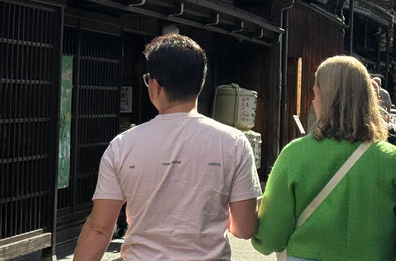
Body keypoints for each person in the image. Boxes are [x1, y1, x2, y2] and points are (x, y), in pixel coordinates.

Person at [74, 34, 260, 261]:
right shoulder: (233, 142)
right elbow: (245, 228)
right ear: (201, 82)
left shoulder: (123, 146)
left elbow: (100, 229)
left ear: (155, 85)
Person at [252, 56, 396, 261]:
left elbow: (271, 239)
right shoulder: (392, 161)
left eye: (314, 93)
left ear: (324, 97)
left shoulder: (294, 155)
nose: (313, 101)